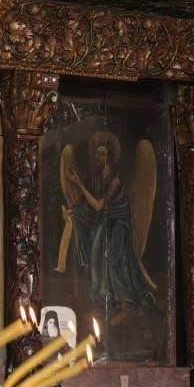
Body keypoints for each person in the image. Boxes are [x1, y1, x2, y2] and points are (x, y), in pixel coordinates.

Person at [65, 132, 156, 312]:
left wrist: (78, 184)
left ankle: (124, 300)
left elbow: (99, 205)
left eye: (102, 154)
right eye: (97, 154)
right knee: (96, 246)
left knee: (112, 252)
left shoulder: (115, 179)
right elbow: (87, 204)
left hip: (120, 222)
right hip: (105, 222)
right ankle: (101, 296)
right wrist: (73, 210)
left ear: (110, 157)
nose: (98, 157)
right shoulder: (96, 178)